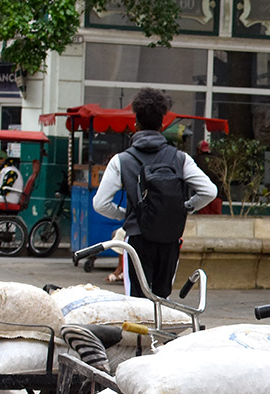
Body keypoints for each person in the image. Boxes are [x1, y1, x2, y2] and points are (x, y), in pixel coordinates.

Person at [93, 87, 216, 299]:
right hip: (169, 237)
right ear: (162, 124)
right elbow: (209, 191)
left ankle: (141, 333)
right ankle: (161, 332)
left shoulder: (121, 160)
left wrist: (126, 214)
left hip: (137, 239)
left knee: (137, 300)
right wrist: (184, 208)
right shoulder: (180, 158)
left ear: (135, 124)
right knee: (162, 299)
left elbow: (100, 204)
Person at [193, 139, 224, 216]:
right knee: (216, 221)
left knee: (202, 220)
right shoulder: (218, 160)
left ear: (199, 150)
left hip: (202, 196)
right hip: (217, 196)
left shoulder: (196, 161)